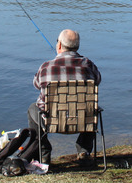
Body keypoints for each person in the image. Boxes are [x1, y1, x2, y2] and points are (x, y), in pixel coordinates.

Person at [27, 29, 101, 165]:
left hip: (52, 121)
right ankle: (84, 150)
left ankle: (43, 152)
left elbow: (36, 84)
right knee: (93, 107)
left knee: (32, 108)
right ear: (77, 46)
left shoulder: (46, 67)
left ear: (59, 45)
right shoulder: (88, 65)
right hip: (83, 121)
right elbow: (97, 80)